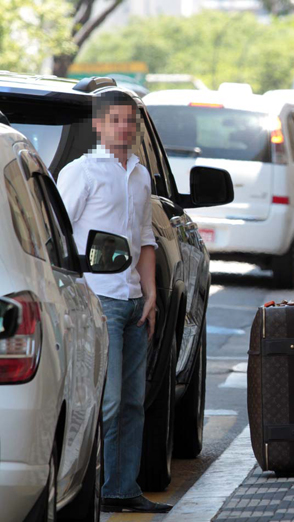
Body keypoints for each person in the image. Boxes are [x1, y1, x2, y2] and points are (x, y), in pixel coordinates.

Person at [57, 91, 171, 513]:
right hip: (98, 300)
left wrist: (152, 295)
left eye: (130, 121)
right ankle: (95, 490)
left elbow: (144, 238)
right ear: (99, 125)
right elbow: (60, 235)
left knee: (131, 401)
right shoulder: (80, 173)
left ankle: (124, 488)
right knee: (106, 401)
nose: (124, 128)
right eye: (116, 120)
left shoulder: (140, 175)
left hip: (134, 301)